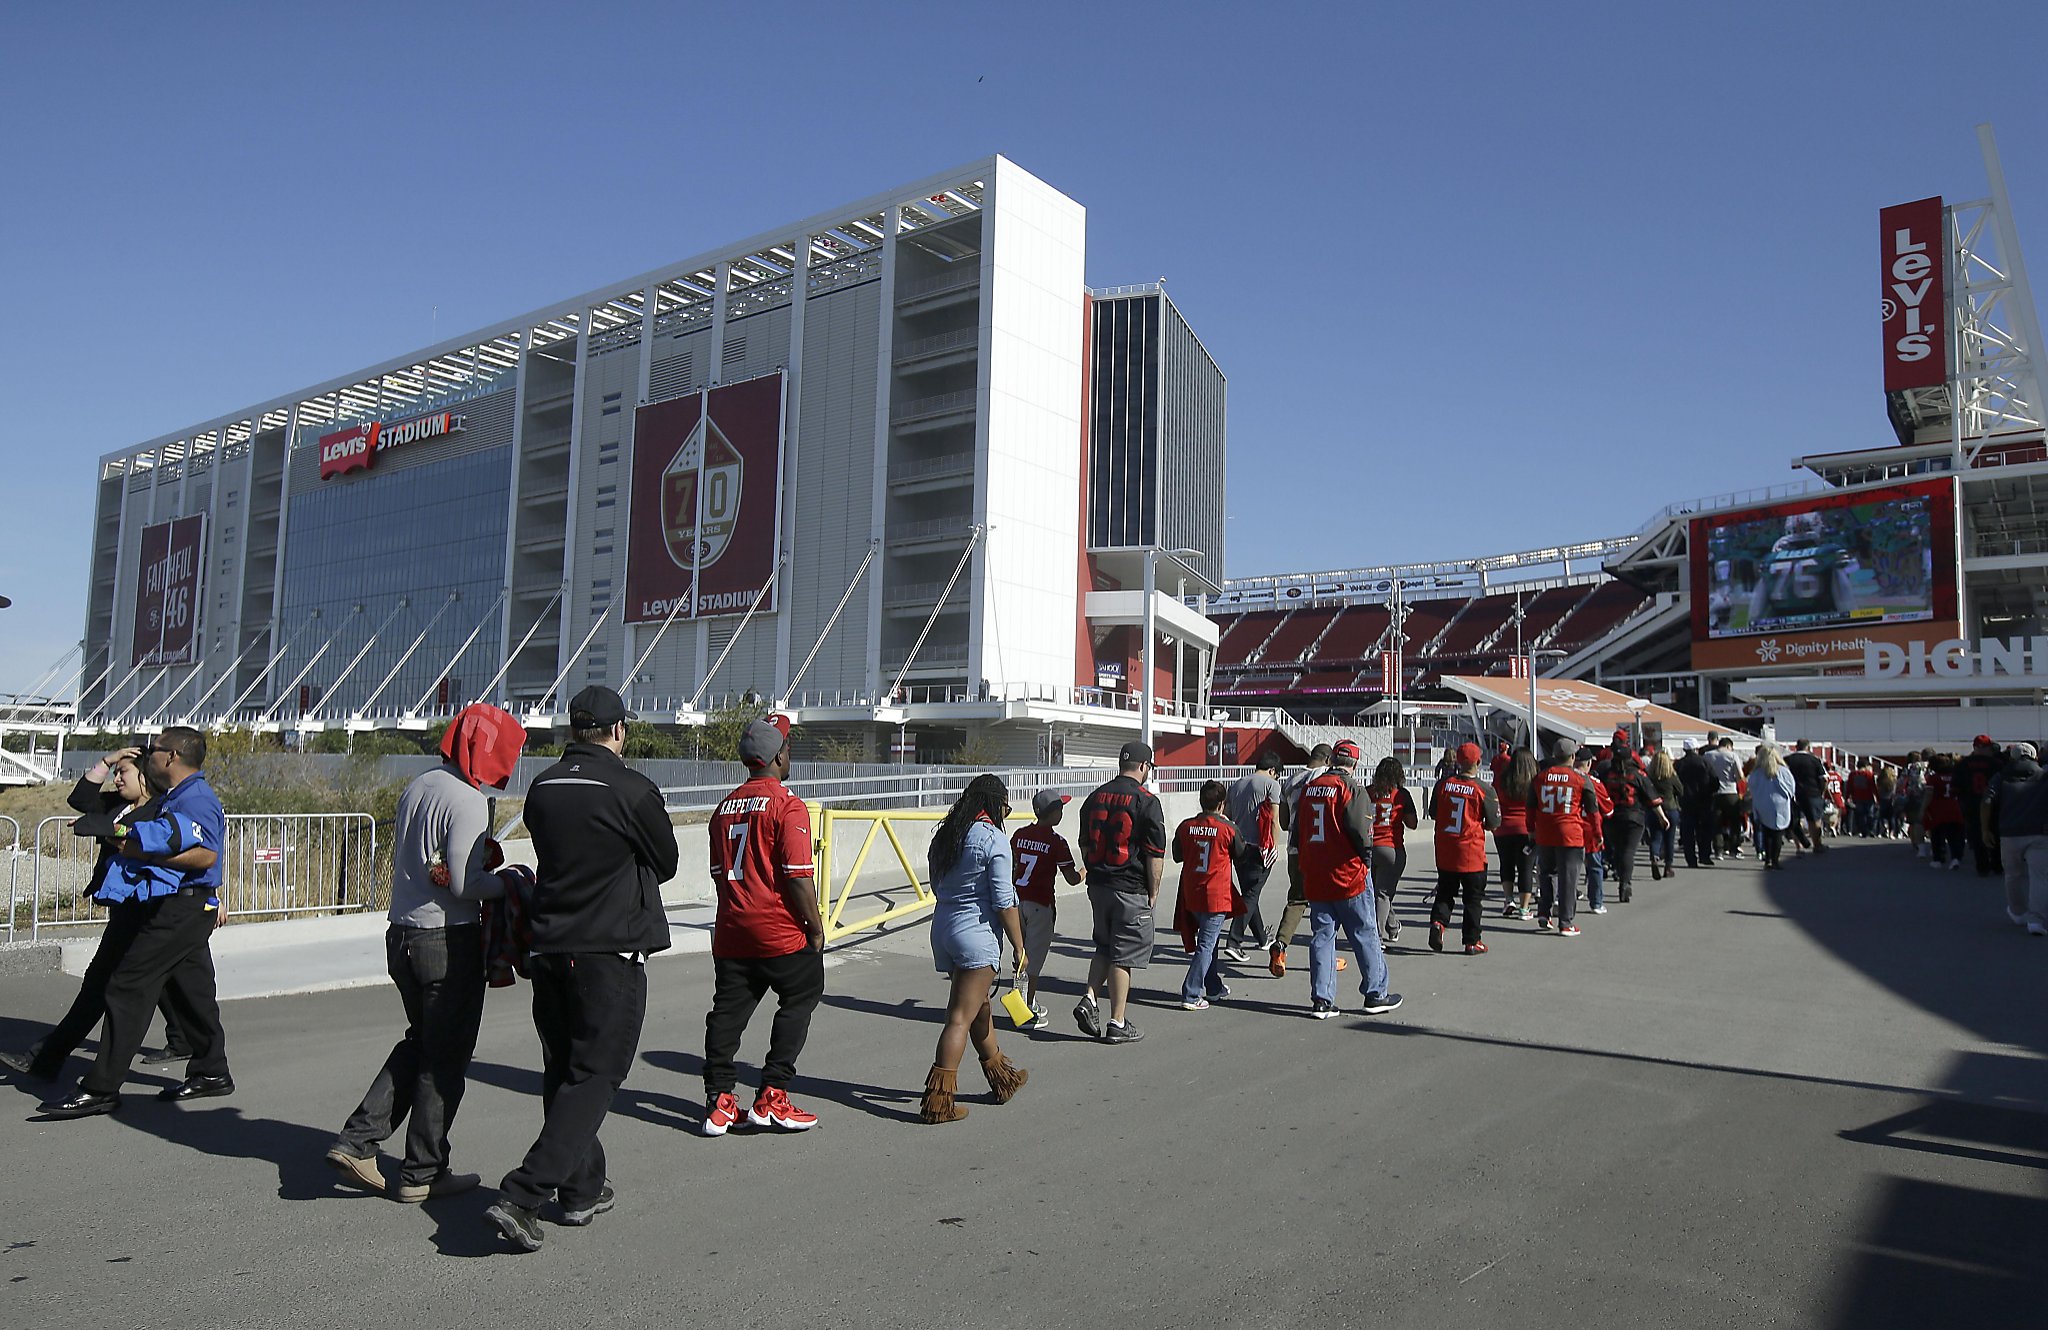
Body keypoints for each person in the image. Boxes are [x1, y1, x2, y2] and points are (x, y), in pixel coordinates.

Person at [486, 686, 679, 1253]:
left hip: (550, 948)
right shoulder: (633, 789)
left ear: (573, 730)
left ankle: (581, 1188)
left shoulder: (543, 787)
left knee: (564, 1071)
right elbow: (665, 862)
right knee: (595, 1076)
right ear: (618, 730)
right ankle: (524, 1196)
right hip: (608, 951)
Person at [326, 703, 526, 1199]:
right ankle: (422, 1171)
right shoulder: (466, 800)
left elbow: (431, 862)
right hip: (447, 940)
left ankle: (358, 1140)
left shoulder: (420, 786)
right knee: (446, 1058)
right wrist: (513, 883)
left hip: (403, 935)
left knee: (422, 1043)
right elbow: (462, 883)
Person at [38, 728, 231, 1120]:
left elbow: (207, 857)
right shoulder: (180, 796)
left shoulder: (194, 798)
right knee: (191, 993)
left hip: (184, 907)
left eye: (153, 749)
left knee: (127, 985)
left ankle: (100, 1087)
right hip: (182, 906)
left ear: (172, 756)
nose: (148, 755)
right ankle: (212, 1071)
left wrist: (142, 852)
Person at [1, 749, 188, 1084]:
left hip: (149, 909)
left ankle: (46, 1058)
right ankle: (194, 1046)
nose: (117, 779)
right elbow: (81, 798)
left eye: (123, 773)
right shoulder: (118, 805)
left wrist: (212, 896)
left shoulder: (158, 811)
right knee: (171, 981)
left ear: (145, 775)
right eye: (115, 773)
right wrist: (105, 762)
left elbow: (165, 849)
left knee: (100, 985)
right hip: (125, 907)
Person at [698, 713, 826, 1139]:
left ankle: (719, 1100)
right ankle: (773, 1093)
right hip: (778, 931)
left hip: (733, 930)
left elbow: (719, 872)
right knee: (802, 993)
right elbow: (797, 875)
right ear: (777, 756)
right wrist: (814, 926)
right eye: (787, 748)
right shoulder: (788, 805)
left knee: (727, 1013)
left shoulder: (723, 808)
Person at [920, 774, 1028, 1124]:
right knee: (959, 1018)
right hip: (976, 936)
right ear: (995, 804)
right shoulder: (993, 839)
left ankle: (1003, 1080)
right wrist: (1019, 945)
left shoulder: (946, 836)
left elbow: (936, 885)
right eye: (1005, 807)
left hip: (945, 930)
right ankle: (939, 1103)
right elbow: (1003, 900)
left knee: (979, 1007)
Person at [1295, 740, 1401, 1018]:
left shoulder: (1309, 789)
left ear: (1331, 759)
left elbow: (1296, 830)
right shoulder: (1352, 789)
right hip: (1347, 874)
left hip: (1317, 874)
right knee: (1364, 933)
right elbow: (1362, 833)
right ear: (1354, 764)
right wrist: (1365, 862)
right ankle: (1376, 993)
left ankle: (1322, 999)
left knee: (1322, 936)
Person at [1074, 741, 1166, 1045]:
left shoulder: (1095, 796)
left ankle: (1090, 996)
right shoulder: (1146, 801)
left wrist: (1094, 870)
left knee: (1103, 944)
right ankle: (1117, 1020)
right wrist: (1153, 891)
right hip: (1130, 886)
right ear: (1143, 766)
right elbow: (1154, 854)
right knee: (1122, 954)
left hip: (1099, 884)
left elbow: (1085, 843)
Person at [1009, 789, 1082, 1029]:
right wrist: (1086, 870)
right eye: (1060, 808)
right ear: (1052, 813)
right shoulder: (1056, 842)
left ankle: (1025, 1000)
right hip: (1040, 905)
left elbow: (1012, 867)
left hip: (1017, 901)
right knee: (1033, 960)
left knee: (1020, 954)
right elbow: (1071, 878)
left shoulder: (1019, 835)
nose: (1062, 812)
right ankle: (1024, 1010)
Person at [1269, 744, 1337, 978]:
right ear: (1328, 760)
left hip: (1295, 850)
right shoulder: (1325, 778)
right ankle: (1326, 954)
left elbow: (1285, 822)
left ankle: (1280, 945)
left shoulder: (1290, 780)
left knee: (1297, 899)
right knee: (1325, 903)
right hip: (1319, 851)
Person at [1173, 780, 1241, 1010]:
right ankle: (1191, 993)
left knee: (1209, 943)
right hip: (1216, 894)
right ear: (1222, 804)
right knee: (1207, 944)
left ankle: (1213, 986)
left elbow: (1177, 854)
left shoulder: (1185, 826)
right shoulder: (1227, 828)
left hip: (1192, 892)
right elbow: (1240, 852)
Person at [1429, 743, 1499, 955]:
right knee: (1473, 899)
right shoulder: (1483, 789)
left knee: (1445, 892)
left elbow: (1433, 812)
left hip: (1445, 850)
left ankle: (1438, 923)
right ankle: (1471, 940)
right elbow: (1494, 821)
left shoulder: (1442, 785)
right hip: (1471, 852)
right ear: (1478, 762)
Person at [1529, 738, 1598, 938]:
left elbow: (1531, 806)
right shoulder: (1581, 779)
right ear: (1573, 757)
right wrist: (1597, 833)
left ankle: (1544, 912)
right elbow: (1593, 810)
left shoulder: (1540, 777)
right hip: (1570, 834)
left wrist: (1531, 830)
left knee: (1546, 873)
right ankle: (1566, 922)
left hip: (1545, 831)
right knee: (1569, 878)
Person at [1222, 754, 1283, 960]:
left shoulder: (1236, 785)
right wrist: (1274, 847)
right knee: (1251, 894)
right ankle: (1234, 940)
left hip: (1239, 846)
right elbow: (1274, 819)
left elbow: (1228, 817)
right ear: (1273, 771)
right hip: (1260, 847)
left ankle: (1262, 939)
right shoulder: (1271, 786)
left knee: (1250, 892)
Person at [1985, 742, 2048, 935]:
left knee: (2013, 874)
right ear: (2035, 757)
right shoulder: (2044, 776)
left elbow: (1987, 800)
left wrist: (1985, 829)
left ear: (2012, 757)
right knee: (2040, 877)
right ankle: (2036, 920)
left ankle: (2018, 912)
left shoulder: (2001, 776)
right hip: (2039, 832)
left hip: (2009, 832)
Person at [1601, 745, 1668, 904]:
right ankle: (1625, 882)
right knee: (1628, 851)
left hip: (1611, 817)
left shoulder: (1606, 774)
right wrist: (1662, 817)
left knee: (1618, 850)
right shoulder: (1637, 775)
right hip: (1634, 817)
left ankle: (1620, 875)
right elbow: (1652, 799)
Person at [1365, 757, 1417, 945]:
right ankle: (1376, 937)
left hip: (1368, 847)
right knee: (1383, 893)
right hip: (1391, 847)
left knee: (1378, 892)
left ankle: (1392, 926)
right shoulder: (1401, 794)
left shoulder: (1367, 792)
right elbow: (1412, 824)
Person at [1494, 748, 1538, 920]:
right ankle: (1524, 908)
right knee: (1526, 868)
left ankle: (1508, 900)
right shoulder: (1534, 782)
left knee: (1506, 865)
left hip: (1503, 828)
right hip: (1527, 830)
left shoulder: (1502, 780)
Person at [1957, 735, 2008, 877]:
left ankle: (1982, 865)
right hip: (1994, 803)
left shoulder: (1963, 764)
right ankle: (1997, 864)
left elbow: (1956, 786)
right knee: (1995, 833)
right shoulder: (1996, 764)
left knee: (1977, 835)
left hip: (1971, 803)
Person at [1747, 744, 1796, 869]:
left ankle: (1767, 860)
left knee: (1766, 832)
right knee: (1777, 834)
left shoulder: (1756, 773)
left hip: (1762, 804)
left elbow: (1751, 787)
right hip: (1780, 805)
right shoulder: (1784, 771)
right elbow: (1791, 789)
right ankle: (1775, 860)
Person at [1576, 750, 1612, 914]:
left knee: (1565, 868)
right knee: (1595, 867)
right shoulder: (1594, 783)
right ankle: (1596, 902)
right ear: (1589, 763)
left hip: (1570, 829)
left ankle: (1560, 900)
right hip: (1590, 831)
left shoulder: (1565, 779)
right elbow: (1608, 810)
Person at [1675, 739, 1716, 870]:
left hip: (1685, 802)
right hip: (1704, 801)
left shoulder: (1679, 764)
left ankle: (1691, 859)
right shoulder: (1705, 762)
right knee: (1704, 830)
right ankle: (1705, 855)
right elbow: (1715, 781)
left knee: (1687, 832)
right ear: (1697, 749)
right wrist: (1709, 792)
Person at [1922, 753, 1965, 871]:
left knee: (1936, 835)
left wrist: (1923, 808)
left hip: (1938, 810)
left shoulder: (1934, 778)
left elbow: (1929, 794)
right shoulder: (1955, 777)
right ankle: (1956, 857)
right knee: (1955, 836)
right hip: (1954, 807)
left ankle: (1938, 859)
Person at [1704, 736, 1745, 861]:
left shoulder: (1707, 755)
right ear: (1729, 746)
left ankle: (1718, 850)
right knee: (1734, 823)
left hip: (1714, 793)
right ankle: (1733, 848)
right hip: (1730, 792)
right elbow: (1740, 776)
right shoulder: (1732, 755)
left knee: (1716, 823)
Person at [1783, 740, 1827, 852]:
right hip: (1813, 793)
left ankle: (1799, 847)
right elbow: (1824, 779)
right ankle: (1817, 845)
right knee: (1814, 820)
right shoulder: (1814, 760)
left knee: (1796, 821)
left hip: (1794, 794)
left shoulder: (1788, 759)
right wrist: (1821, 791)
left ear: (1796, 747)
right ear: (1808, 747)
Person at [1647, 748, 1684, 879]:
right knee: (1670, 839)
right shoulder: (1671, 776)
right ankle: (1668, 867)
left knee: (1656, 837)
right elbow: (1680, 791)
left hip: (1654, 809)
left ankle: (1655, 857)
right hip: (1670, 808)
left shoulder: (1649, 776)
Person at [1900, 751, 1930, 858]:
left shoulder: (1910, 767)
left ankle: (1917, 844)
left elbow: (1901, 782)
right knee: (1930, 820)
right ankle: (1932, 844)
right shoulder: (1928, 766)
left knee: (1915, 822)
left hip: (1914, 796)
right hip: (1928, 794)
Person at [1847, 760, 1879, 838]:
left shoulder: (1852, 774)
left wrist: (1848, 796)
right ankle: (1870, 829)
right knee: (1870, 815)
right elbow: (1873, 787)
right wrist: (1877, 798)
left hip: (1857, 797)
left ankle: (1863, 831)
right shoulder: (1869, 774)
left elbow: (1849, 787)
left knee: (1860, 815)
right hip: (1868, 797)